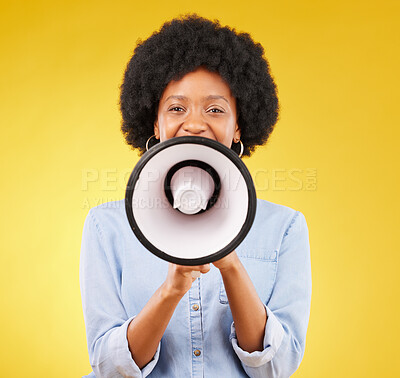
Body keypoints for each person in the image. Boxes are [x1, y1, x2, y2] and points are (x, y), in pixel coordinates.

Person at [80, 14, 311, 378]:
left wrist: (230, 262)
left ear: (238, 127)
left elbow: (276, 369)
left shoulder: (285, 228)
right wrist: (172, 289)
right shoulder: (106, 226)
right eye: (176, 108)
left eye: (215, 109)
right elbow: (110, 370)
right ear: (155, 124)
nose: (194, 123)